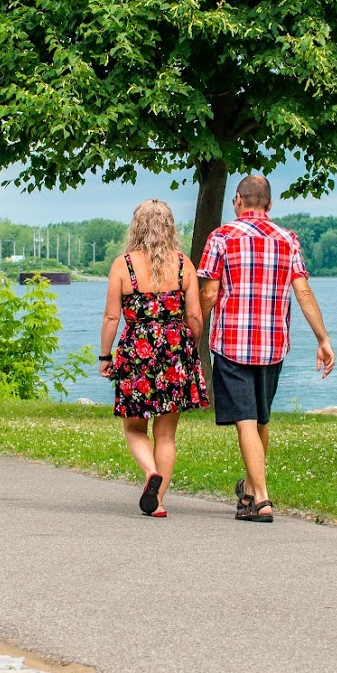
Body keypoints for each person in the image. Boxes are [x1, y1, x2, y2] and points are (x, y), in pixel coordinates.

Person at [197, 175, 334, 523]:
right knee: (260, 419)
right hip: (273, 345)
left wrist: (192, 326)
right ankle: (247, 491)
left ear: (238, 201)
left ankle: (261, 498)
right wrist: (323, 338)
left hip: (231, 343)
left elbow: (210, 293)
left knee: (245, 420)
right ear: (269, 205)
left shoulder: (221, 238)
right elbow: (302, 292)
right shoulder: (288, 240)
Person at [98, 200, 208, 518]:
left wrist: (105, 356)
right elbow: (195, 316)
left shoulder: (124, 265)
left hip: (137, 351)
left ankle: (150, 472)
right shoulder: (183, 264)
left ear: (136, 226)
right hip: (175, 352)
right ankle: (157, 501)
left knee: (134, 428)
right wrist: (189, 351)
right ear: (171, 227)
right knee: (166, 434)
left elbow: (110, 317)